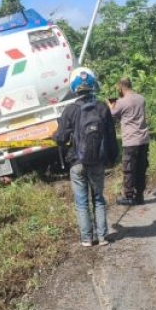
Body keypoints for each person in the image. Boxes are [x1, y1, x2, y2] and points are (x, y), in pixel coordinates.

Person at [53, 68, 119, 246]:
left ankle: (87, 239)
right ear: (93, 84)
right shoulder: (102, 107)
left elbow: (60, 138)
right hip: (97, 161)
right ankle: (103, 236)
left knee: (81, 202)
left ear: (74, 86)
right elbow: (111, 136)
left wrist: (56, 136)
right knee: (98, 198)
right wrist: (113, 158)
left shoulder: (70, 110)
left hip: (77, 162)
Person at [110, 77, 151, 206]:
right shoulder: (141, 98)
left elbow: (113, 114)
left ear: (121, 88)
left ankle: (128, 196)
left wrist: (111, 104)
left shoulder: (121, 102)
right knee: (141, 168)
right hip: (143, 139)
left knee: (129, 169)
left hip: (131, 141)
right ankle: (139, 196)